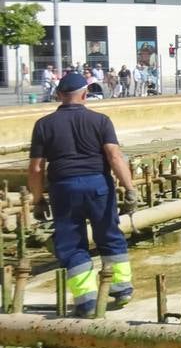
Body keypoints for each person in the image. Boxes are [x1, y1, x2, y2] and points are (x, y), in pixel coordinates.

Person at [27, 72, 139, 317]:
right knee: (109, 233)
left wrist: (37, 200)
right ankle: (121, 289)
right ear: (85, 94)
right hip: (98, 185)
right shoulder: (101, 121)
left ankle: (86, 301)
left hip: (64, 189)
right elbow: (115, 156)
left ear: (58, 95)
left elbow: (36, 168)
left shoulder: (44, 125)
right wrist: (130, 189)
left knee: (72, 243)